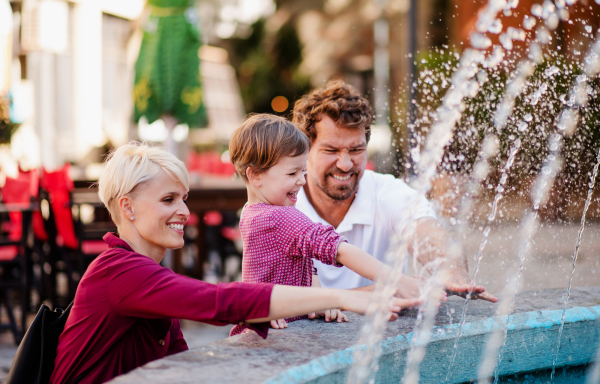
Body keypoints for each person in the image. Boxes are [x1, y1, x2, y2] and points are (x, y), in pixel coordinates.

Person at [49, 142, 416, 384]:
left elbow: (182, 361)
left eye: (183, 198)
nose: (183, 211)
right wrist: (340, 298)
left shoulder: (147, 275)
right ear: (127, 207)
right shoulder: (119, 272)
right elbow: (219, 301)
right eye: (168, 199)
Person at [227, 114, 436, 336]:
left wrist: (317, 300)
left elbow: (303, 260)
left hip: (273, 320)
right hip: (278, 331)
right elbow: (337, 249)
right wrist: (396, 279)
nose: (302, 180)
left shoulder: (253, 212)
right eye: (292, 173)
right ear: (255, 175)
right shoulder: (280, 217)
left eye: (303, 171)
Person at [292, 80, 498, 302]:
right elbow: (277, 301)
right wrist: (381, 291)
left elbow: (428, 234)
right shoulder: (283, 205)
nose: (345, 164)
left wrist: (451, 274)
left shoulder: (387, 192)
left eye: (356, 149)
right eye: (331, 150)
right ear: (305, 151)